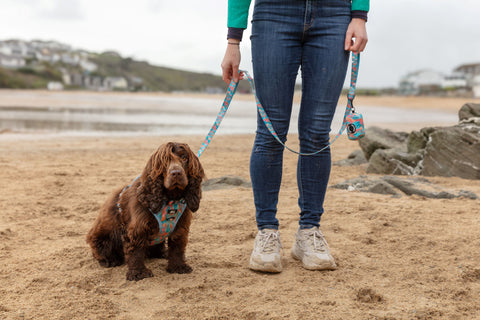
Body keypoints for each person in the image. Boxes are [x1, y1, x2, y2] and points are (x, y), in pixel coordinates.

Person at [221, 0, 369, 273]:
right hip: (273, 13)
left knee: (316, 134)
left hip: (334, 14)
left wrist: (359, 15)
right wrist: (233, 40)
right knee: (270, 132)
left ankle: (309, 232)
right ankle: (267, 232)